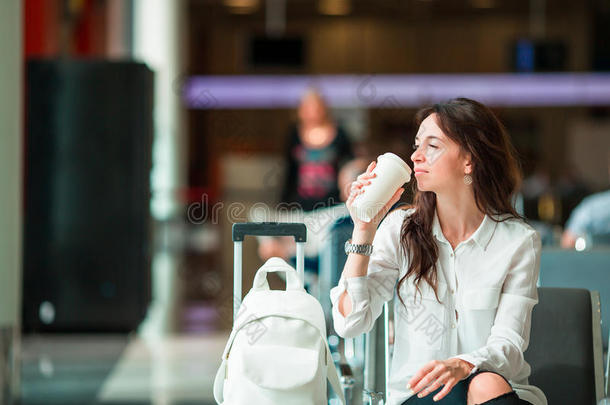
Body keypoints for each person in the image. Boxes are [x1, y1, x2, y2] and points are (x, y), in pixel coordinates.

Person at [331, 98, 547, 405]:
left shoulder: (517, 241)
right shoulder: (400, 229)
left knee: (484, 383)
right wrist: (364, 229)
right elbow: (350, 323)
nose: (416, 156)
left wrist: (462, 365)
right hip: (418, 395)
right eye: (417, 144)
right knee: (480, 387)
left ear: (469, 160)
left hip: (495, 390)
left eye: (432, 146)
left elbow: (509, 348)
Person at [280, 88, 354, 212]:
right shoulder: (294, 135)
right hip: (301, 204)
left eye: (316, 107)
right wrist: (284, 203)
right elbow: (289, 171)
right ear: (301, 110)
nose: (313, 112)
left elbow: (349, 166)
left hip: (333, 203)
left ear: (324, 108)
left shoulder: (340, 134)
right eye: (308, 107)